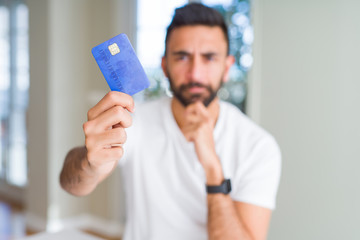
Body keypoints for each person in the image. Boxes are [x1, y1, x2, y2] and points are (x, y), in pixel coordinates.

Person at [60, 3, 281, 240]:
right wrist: (89, 163)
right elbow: (71, 184)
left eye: (209, 58)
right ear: (165, 66)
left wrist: (212, 167)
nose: (195, 73)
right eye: (182, 57)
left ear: (227, 67)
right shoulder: (135, 122)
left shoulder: (259, 146)